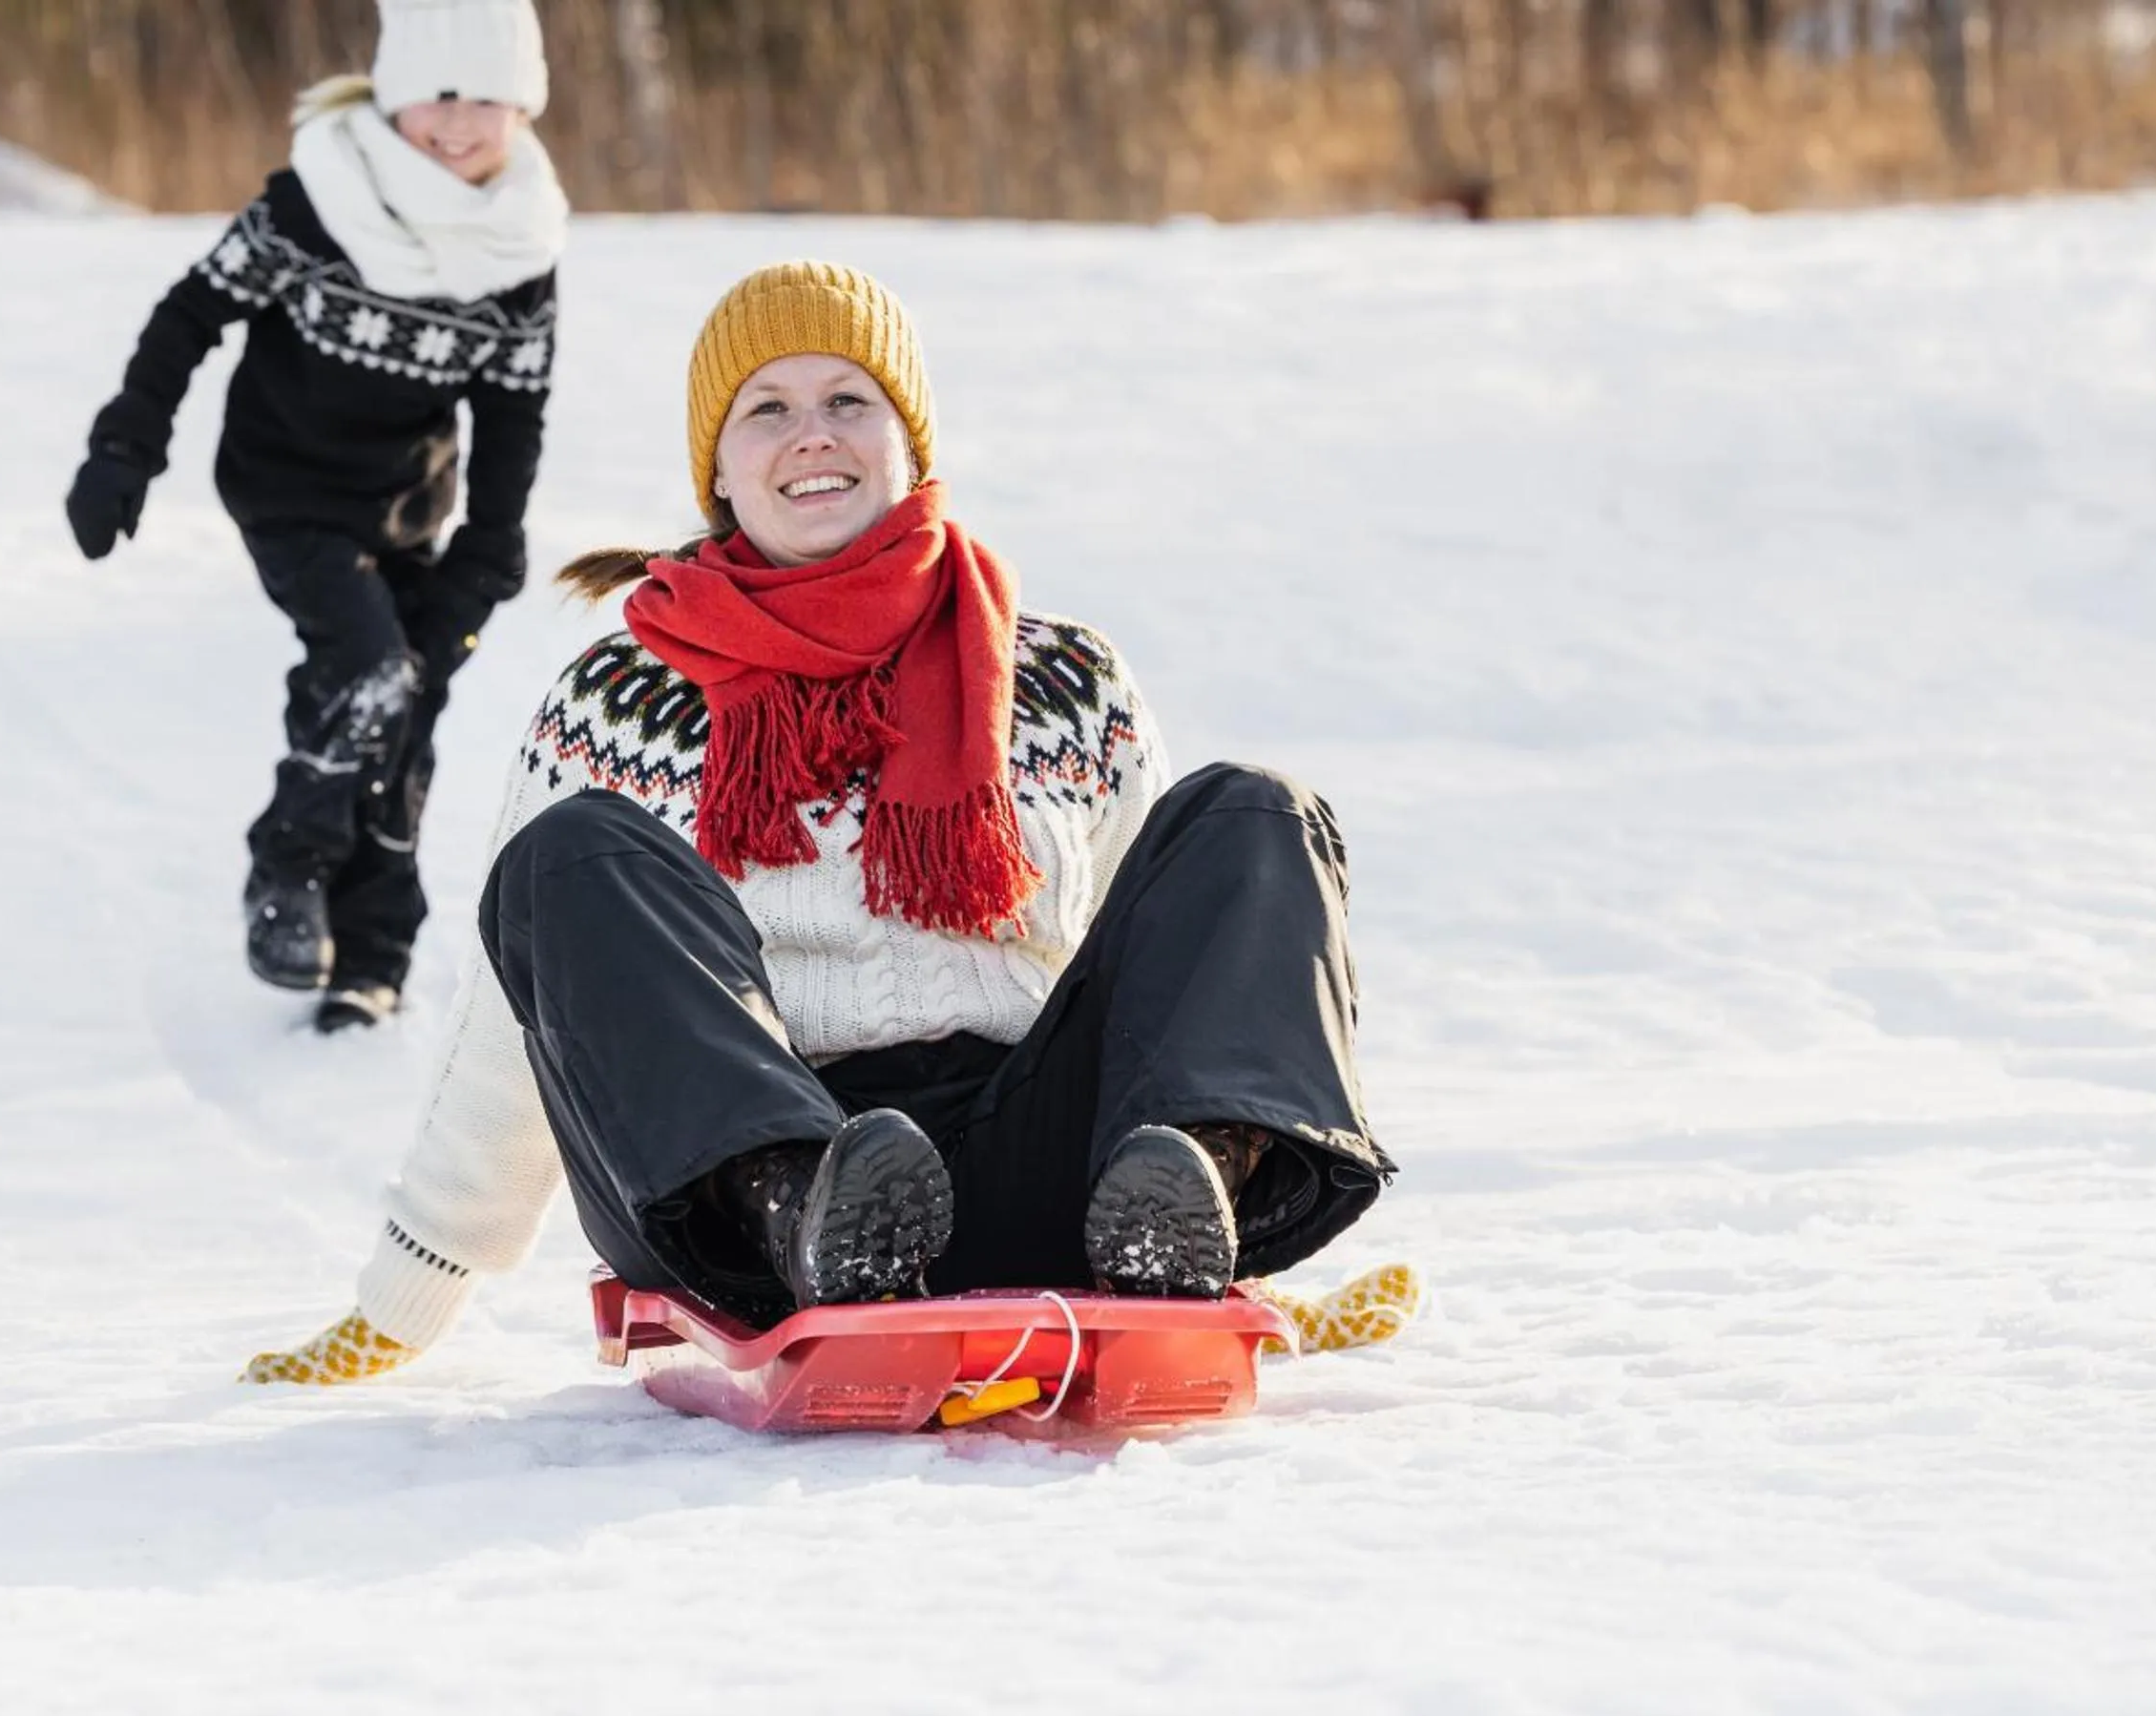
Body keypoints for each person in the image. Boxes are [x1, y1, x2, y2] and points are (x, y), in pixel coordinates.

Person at [243, 261, 1393, 1386]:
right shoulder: (621, 696)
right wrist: (407, 1296)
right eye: (768, 409)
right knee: (568, 853)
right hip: (742, 1212)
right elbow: (519, 1014)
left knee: (1251, 814)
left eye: (849, 400)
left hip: (1039, 1157)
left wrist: (1217, 1220)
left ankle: (1191, 1214)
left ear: (909, 442)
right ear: (718, 467)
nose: (812, 435)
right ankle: (804, 1203)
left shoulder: (1060, 676)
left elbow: (1180, 978)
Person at [65, 0, 567, 1033]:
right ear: (392, 94)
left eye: (487, 97)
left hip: (408, 515)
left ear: (524, 106)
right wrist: (126, 446)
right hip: (286, 491)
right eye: (437, 94)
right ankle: (287, 872)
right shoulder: (321, 200)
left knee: (410, 707)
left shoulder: (518, 246)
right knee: (369, 669)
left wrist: (489, 548)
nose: (459, 123)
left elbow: (513, 415)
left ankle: (370, 955)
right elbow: (190, 315)